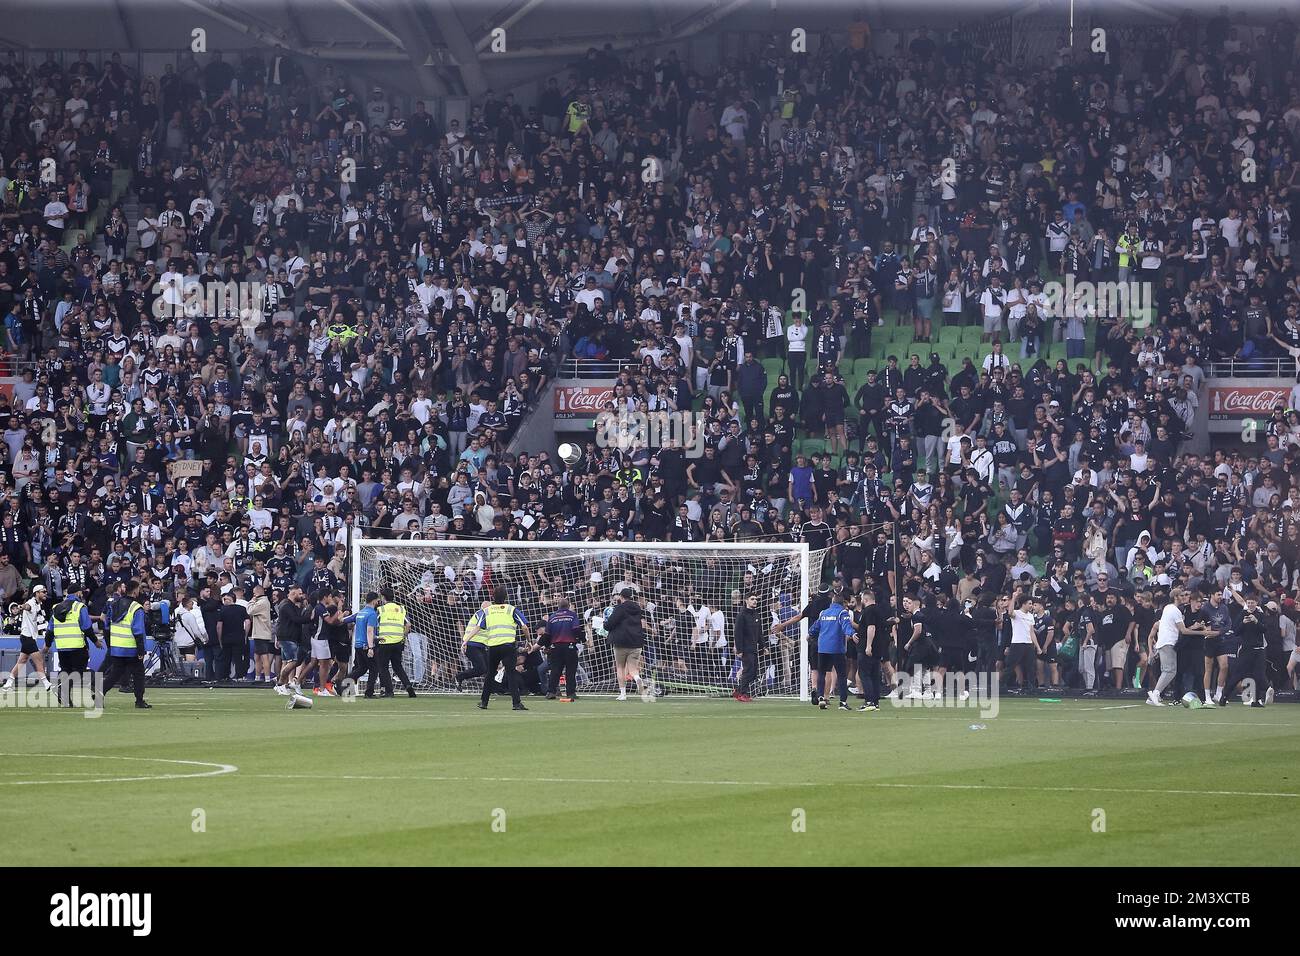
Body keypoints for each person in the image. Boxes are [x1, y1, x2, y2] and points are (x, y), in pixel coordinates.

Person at [461, 585, 529, 711]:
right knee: (511, 673)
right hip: (508, 646)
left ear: (493, 597)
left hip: (493, 647)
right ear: (506, 597)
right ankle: (516, 703)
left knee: (490, 673)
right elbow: (524, 627)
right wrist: (528, 640)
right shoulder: (511, 609)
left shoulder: (487, 611)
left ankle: (484, 702)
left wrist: (466, 640)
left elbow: (477, 627)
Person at [1148, 588, 1210, 706]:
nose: (1184, 597)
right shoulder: (1175, 611)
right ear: (1176, 597)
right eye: (1182, 595)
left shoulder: (1167, 608)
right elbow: (1184, 631)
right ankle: (1156, 693)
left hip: (1164, 642)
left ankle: (1154, 696)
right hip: (1169, 642)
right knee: (1170, 671)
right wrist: (1201, 632)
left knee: (1167, 670)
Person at [100, 579, 151, 708]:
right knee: (138, 673)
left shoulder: (114, 604)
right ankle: (139, 701)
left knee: (115, 673)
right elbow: (138, 630)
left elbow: (105, 623)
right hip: (131, 647)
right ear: (135, 591)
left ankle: (99, 692)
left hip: (117, 647)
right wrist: (141, 650)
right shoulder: (136, 608)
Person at [45, 584, 98, 707]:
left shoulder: (56, 608)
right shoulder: (80, 607)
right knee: (78, 672)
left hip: (62, 646)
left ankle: (66, 700)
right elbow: (87, 628)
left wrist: (47, 645)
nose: (83, 595)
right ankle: (60, 688)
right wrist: (95, 641)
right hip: (77, 646)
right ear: (78, 593)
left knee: (66, 672)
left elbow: (50, 630)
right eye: (82, 593)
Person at [2, 584, 51, 694]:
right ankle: (46, 684)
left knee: (22, 661)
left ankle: (8, 683)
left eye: (45, 591)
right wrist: (20, 607)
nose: (45, 593)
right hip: (27, 637)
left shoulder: (39, 604)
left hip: (29, 637)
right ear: (37, 593)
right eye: (43, 591)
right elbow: (27, 606)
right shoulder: (31, 603)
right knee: (39, 660)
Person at [813, 586, 855, 710]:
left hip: (822, 648)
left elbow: (816, 627)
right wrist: (852, 634)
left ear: (832, 602)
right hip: (836, 648)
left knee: (822, 673)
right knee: (841, 675)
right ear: (843, 603)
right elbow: (846, 626)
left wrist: (810, 634)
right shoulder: (842, 612)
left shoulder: (823, 613)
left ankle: (821, 697)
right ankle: (842, 702)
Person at [604, 587, 648, 701]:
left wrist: (604, 623)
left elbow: (610, 624)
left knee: (620, 667)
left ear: (621, 596)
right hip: (636, 642)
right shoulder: (638, 608)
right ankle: (637, 678)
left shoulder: (620, 608)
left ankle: (623, 694)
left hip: (621, 642)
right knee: (633, 668)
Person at [374, 588, 417, 698]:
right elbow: (408, 625)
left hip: (385, 641)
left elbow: (374, 624)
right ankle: (409, 688)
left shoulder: (381, 609)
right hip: (398, 642)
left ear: (383, 597)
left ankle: (389, 691)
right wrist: (402, 636)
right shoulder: (401, 609)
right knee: (397, 666)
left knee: (383, 667)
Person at [540, 596, 581, 701]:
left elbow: (547, 634)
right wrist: (581, 639)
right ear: (568, 606)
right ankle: (571, 693)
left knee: (555, 670)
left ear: (558, 606)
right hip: (570, 646)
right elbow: (576, 629)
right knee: (570, 670)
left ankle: (551, 692)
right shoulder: (572, 615)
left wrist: (547, 646)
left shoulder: (552, 617)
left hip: (556, 647)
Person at [342, 591, 381, 696]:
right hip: (366, 645)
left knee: (362, 668)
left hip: (358, 645)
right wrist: (371, 648)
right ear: (374, 601)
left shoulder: (360, 613)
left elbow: (343, 620)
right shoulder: (371, 614)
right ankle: (369, 692)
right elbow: (369, 631)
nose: (378, 602)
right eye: (378, 600)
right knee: (374, 669)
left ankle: (342, 684)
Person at [854, 587, 887, 711]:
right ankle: (875, 702)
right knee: (874, 674)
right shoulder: (878, 610)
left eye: (862, 598)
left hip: (868, 648)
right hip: (878, 647)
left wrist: (868, 645)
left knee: (865, 674)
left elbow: (871, 627)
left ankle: (869, 701)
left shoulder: (869, 611)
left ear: (865, 599)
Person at [455, 600, 492, 692]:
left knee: (489, 668)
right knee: (481, 668)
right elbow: (478, 627)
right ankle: (459, 677)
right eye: (490, 608)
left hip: (481, 646)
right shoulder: (480, 613)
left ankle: (492, 688)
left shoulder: (489, 617)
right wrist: (465, 641)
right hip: (471, 644)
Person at [733, 591, 762, 702]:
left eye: (755, 599)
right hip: (745, 648)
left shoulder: (756, 614)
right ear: (746, 601)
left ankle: (738, 690)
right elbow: (737, 633)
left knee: (753, 672)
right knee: (748, 670)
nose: (755, 601)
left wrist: (763, 646)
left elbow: (759, 632)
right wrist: (739, 649)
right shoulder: (742, 615)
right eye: (752, 599)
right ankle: (743, 694)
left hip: (754, 647)